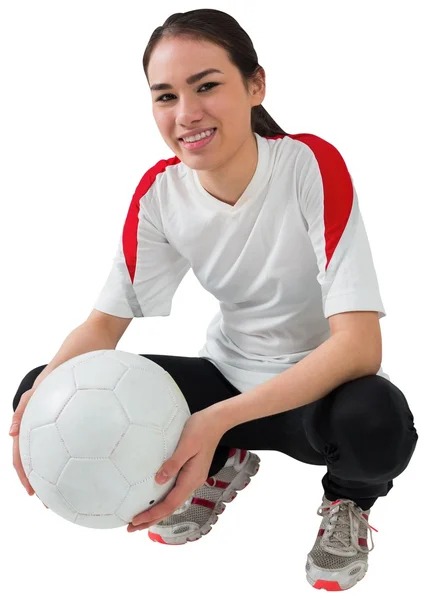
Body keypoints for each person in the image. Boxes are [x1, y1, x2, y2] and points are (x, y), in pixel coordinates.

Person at [10, 8, 418, 592]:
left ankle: (346, 503)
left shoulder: (308, 164)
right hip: (226, 379)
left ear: (255, 86)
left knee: (378, 420)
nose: (186, 114)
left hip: (316, 398)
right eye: (165, 96)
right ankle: (226, 458)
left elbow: (359, 345)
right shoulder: (161, 192)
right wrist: (37, 409)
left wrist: (212, 424)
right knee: (43, 381)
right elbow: (101, 328)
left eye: (207, 86)